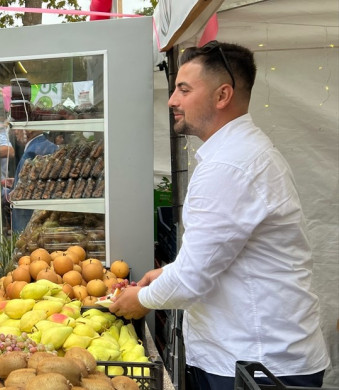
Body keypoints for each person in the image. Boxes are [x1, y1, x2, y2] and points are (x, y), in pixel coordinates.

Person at [110, 41, 330, 388]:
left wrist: (141, 299)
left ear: (222, 95)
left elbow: (192, 279)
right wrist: (167, 272)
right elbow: (223, 252)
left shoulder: (230, 164)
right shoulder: (239, 154)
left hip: (258, 363)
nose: (172, 101)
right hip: (250, 356)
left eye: (184, 90)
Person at [11, 130, 58, 232]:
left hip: (29, 218)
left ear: (29, 130)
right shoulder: (51, 146)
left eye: (17, 127)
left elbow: (23, 192)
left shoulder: (31, 152)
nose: (15, 132)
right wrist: (15, 181)